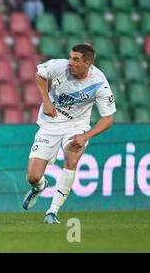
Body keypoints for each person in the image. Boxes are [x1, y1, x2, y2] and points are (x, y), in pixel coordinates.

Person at [22, 44, 116, 224]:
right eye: (71, 57)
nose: (70, 62)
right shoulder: (59, 66)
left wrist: (85, 136)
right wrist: (46, 101)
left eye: (76, 59)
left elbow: (108, 118)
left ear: (87, 63)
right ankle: (40, 187)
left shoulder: (99, 83)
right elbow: (40, 75)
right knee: (33, 176)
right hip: (51, 123)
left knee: (71, 158)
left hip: (76, 125)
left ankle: (52, 212)